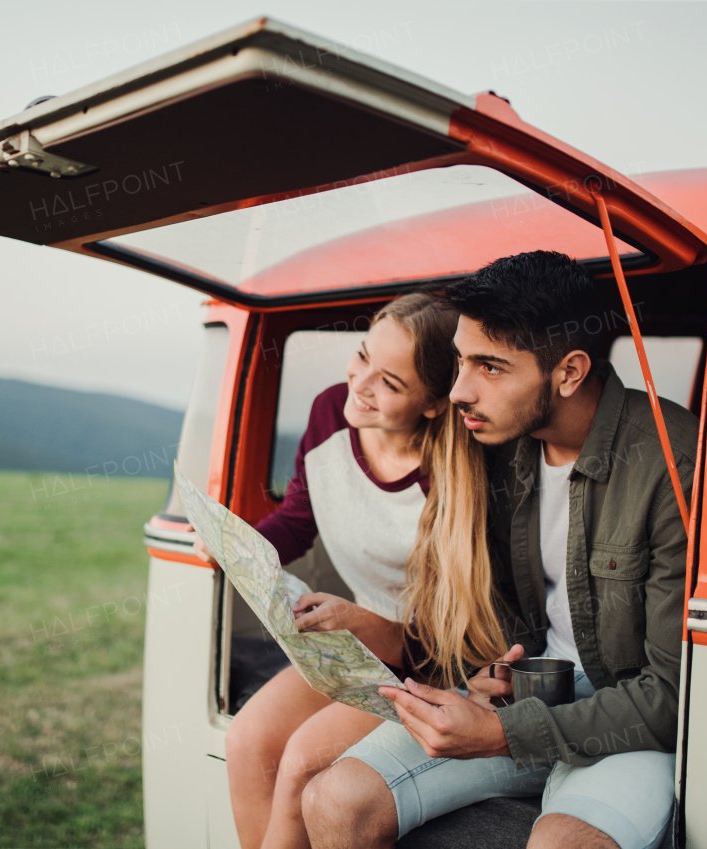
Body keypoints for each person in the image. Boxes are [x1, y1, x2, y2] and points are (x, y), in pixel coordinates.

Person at [302, 251, 698, 849]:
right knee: (333, 801)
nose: (460, 389)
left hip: (632, 732)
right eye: (461, 361)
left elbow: (671, 697)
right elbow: (487, 616)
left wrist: (499, 734)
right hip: (524, 703)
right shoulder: (496, 450)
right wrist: (487, 676)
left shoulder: (672, 462)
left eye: (489, 366)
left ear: (568, 372)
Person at [195, 293, 501, 849]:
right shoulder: (328, 413)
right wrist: (235, 545)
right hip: (356, 646)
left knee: (299, 769)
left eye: (390, 382)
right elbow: (298, 517)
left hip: (429, 666)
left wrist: (360, 623)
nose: (360, 384)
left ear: (434, 404)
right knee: (247, 742)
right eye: (362, 356)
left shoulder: (452, 479)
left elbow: (444, 647)